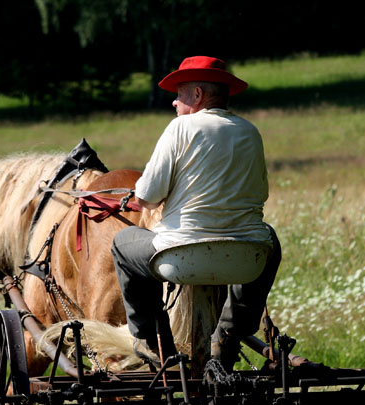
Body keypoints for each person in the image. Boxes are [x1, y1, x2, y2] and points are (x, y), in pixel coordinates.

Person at [111, 55, 281, 370]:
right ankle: (229, 333)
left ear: (198, 95)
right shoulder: (250, 131)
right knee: (271, 239)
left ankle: (149, 339)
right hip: (245, 260)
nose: (175, 102)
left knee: (122, 243)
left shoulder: (181, 128)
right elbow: (261, 194)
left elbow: (147, 196)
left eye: (179, 93)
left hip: (181, 256)